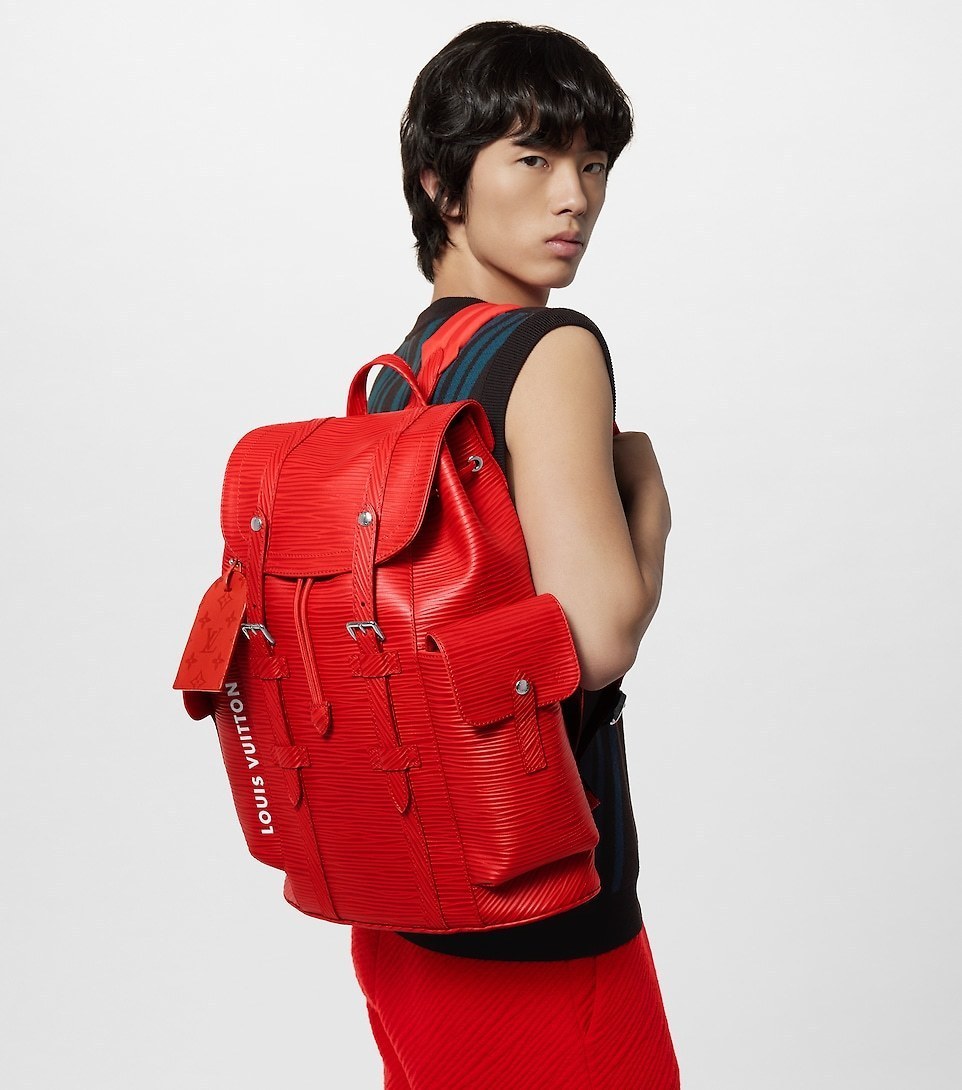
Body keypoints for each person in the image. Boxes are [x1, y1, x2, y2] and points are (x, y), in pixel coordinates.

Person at [354, 21, 679, 1089]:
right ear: (439, 183)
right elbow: (595, 641)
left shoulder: (401, 373)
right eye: (532, 158)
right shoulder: (552, 348)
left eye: (593, 164)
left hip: (401, 892)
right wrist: (650, 509)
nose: (573, 198)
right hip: (536, 899)